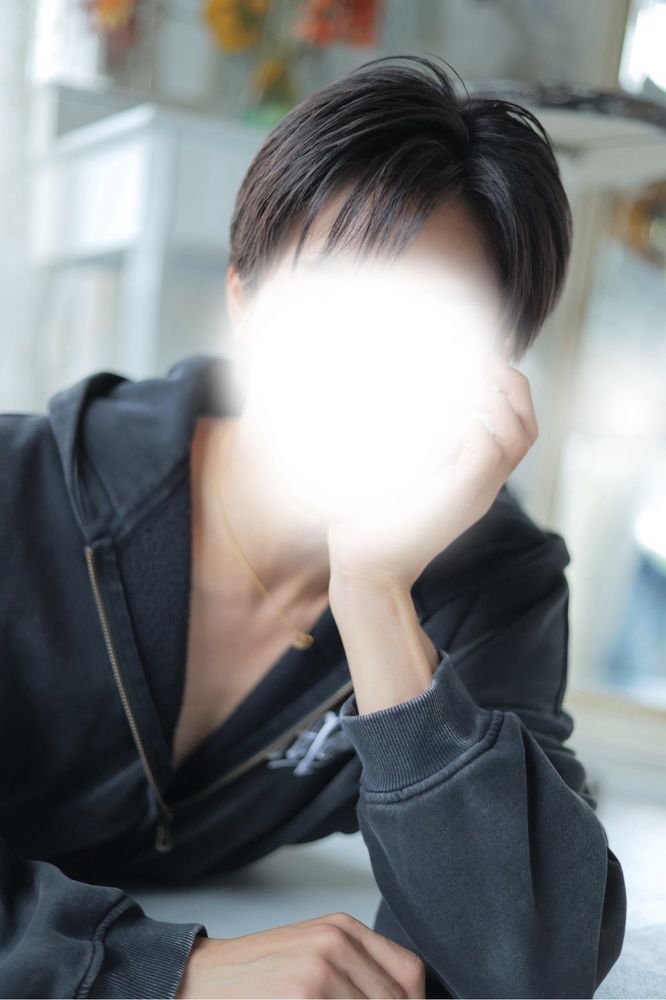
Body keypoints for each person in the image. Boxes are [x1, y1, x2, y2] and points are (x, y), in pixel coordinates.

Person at [0, 54, 626, 999]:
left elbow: (528, 964)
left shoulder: (494, 584)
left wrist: (374, 595)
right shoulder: (22, 493)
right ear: (245, 299)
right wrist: (168, 973)